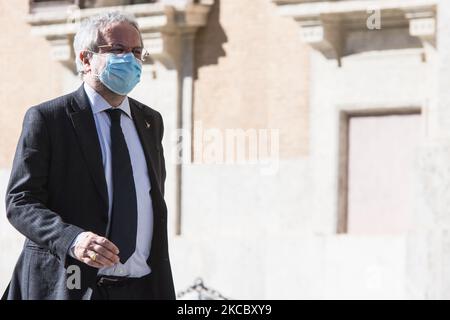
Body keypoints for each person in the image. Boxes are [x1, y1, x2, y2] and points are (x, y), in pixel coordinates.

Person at [2, 11, 175, 300]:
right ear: (85, 59)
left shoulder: (150, 121)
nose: (130, 60)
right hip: (72, 284)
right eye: (118, 50)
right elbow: (20, 202)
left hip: (142, 287)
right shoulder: (49, 119)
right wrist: (73, 240)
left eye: (136, 51)